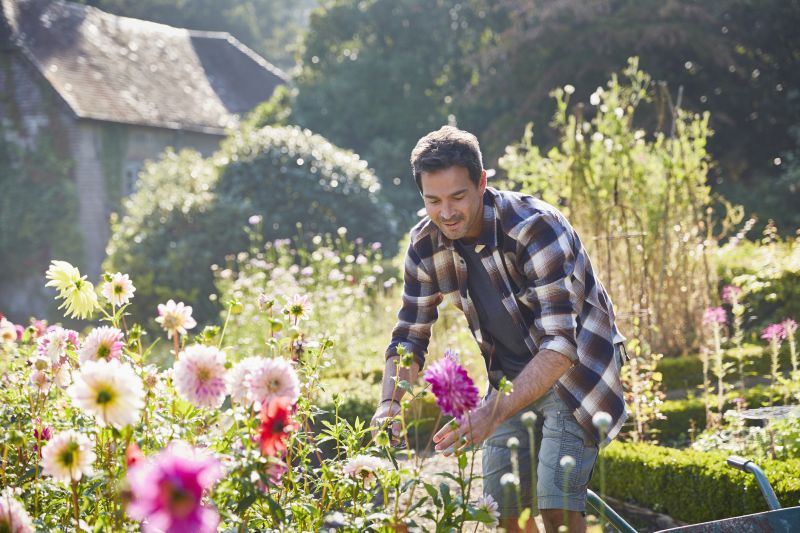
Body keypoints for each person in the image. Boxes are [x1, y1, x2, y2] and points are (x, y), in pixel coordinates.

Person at [371, 126, 628, 533]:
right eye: (433, 200)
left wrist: (489, 413)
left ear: (482, 182)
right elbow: (409, 336)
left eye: (458, 196)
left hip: (576, 371)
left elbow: (560, 346)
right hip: (510, 380)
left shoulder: (534, 228)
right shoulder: (425, 245)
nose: (447, 212)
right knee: (503, 509)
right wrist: (390, 402)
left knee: (555, 505)